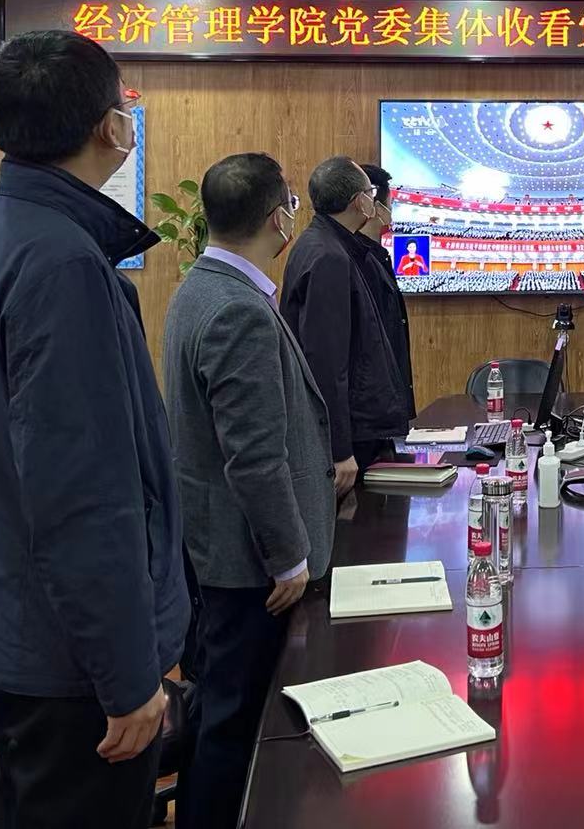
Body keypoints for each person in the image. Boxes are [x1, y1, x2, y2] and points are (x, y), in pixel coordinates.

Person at [0, 30, 188, 829]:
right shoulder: (65, 264)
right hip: (70, 661)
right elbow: (85, 497)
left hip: (29, 630)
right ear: (113, 128)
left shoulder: (0, 227)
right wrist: (126, 676)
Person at [164, 154, 335, 829]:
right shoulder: (239, 311)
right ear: (276, 218)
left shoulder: (201, 288)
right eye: (291, 204)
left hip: (218, 547)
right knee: (235, 723)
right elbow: (255, 458)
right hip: (248, 564)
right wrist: (288, 556)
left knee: (224, 711)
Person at [281, 156, 412, 472]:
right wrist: (339, 450)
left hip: (354, 426)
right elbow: (327, 360)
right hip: (350, 435)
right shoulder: (330, 257)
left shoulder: (326, 243)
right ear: (359, 201)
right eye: (370, 193)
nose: (374, 200)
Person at [359, 163, 416, 412]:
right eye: (390, 204)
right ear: (373, 206)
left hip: (386, 403)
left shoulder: (377, 256)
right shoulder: (355, 262)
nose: (391, 213)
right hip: (372, 408)